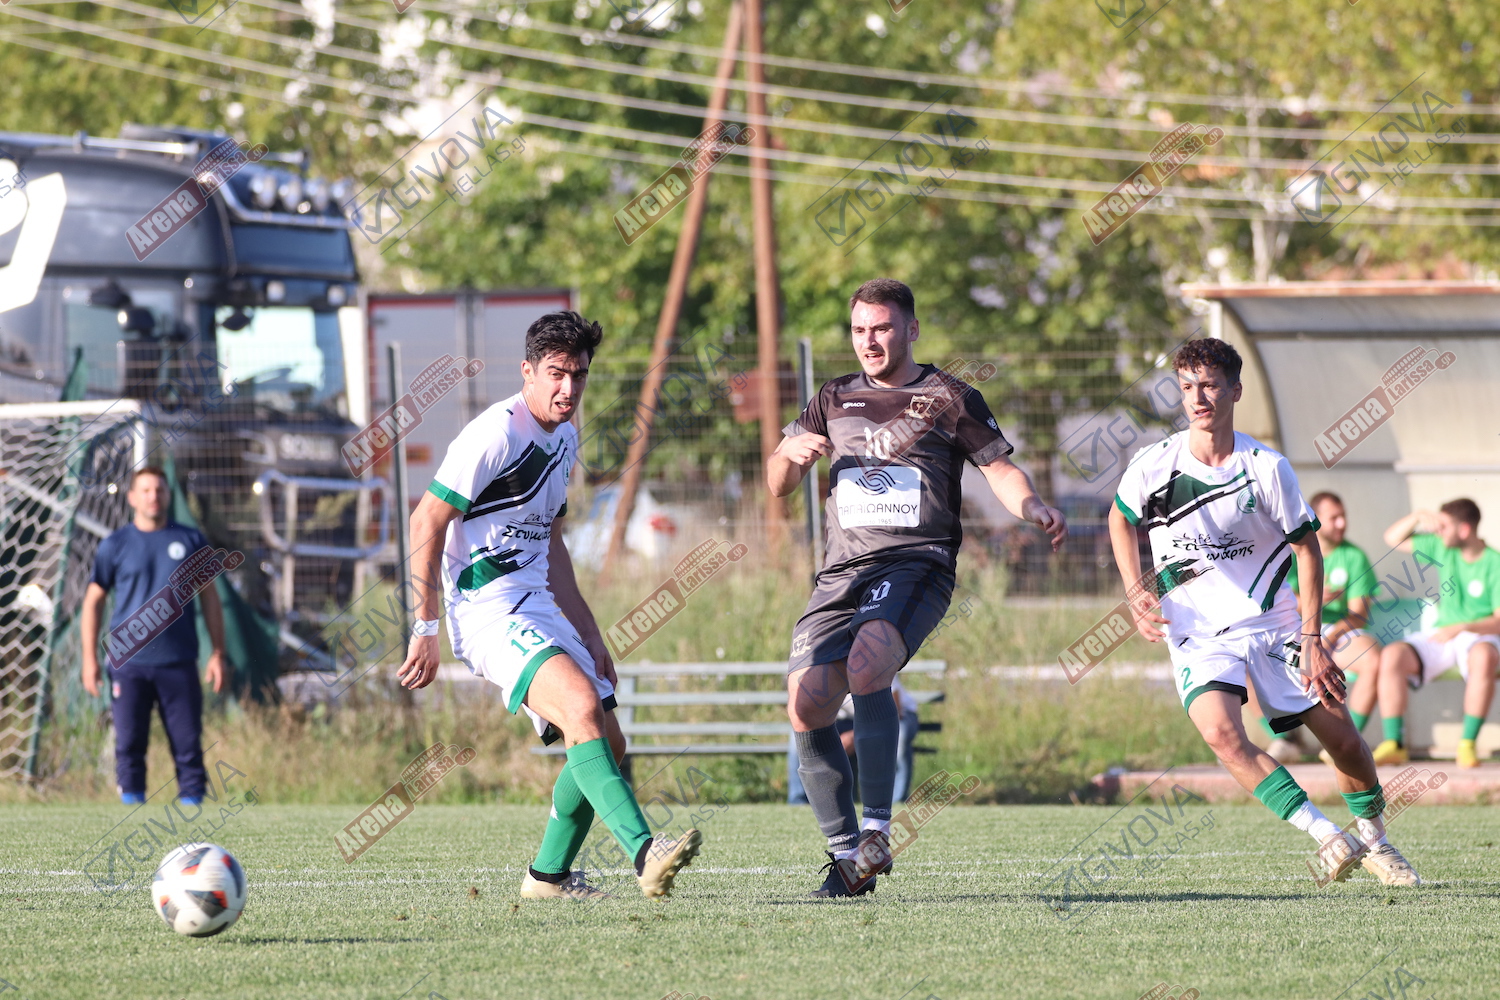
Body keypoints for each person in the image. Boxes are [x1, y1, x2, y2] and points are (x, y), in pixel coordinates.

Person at [767, 278, 1067, 897]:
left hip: (915, 562)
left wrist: (1032, 505)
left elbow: (998, 467)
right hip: (841, 573)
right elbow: (777, 483)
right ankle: (846, 857)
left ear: (911, 329)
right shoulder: (833, 396)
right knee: (806, 703)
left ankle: (877, 831)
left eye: (881, 327)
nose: (869, 341)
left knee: (868, 663)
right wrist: (790, 455)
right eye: (859, 330)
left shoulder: (948, 396)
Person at [396, 310, 699, 901]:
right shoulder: (496, 434)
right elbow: (425, 521)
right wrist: (424, 626)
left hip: (537, 605)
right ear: (528, 371)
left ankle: (548, 878)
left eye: (579, 375)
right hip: (487, 610)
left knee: (609, 743)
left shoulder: (564, 437)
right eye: (556, 373)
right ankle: (646, 854)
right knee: (581, 708)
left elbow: (551, 542)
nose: (568, 388)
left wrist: (590, 632)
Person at [1107, 338, 1419, 886]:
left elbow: (1307, 551)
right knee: (1222, 736)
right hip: (1198, 633)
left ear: (1235, 391)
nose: (1197, 397)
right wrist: (1136, 591)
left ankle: (1377, 841)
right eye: (1187, 386)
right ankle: (1328, 836)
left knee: (1345, 742)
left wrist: (1314, 639)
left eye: (1209, 385)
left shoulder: (1267, 468)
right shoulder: (1154, 465)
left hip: (1276, 626)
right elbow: (1119, 517)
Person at [80, 467, 229, 806]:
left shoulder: (190, 541)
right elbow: (92, 602)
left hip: (178, 662)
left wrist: (218, 652)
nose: (153, 497)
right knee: (129, 745)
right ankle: (131, 807)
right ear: (132, 498)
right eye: (145, 490)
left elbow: (210, 598)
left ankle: (192, 810)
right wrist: (89, 659)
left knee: (188, 746)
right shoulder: (115, 544)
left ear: (168, 495)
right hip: (128, 664)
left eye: (159, 490)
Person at [1371, 500, 1500, 768]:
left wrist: (1464, 627)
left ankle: (1467, 745)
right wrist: (1418, 515)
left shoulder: (1494, 563)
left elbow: (1498, 622)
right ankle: (1395, 745)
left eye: (1444, 526)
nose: (1438, 531)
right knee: (1393, 655)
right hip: (1444, 634)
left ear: (1464, 529)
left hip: (1478, 636)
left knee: (1484, 657)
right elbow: (1392, 538)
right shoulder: (1442, 547)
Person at [1258, 491, 1382, 764]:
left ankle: (1348, 743)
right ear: (1315, 519)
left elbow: (1359, 615)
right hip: (1294, 629)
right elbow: (1272, 603)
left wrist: (1329, 636)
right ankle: (1285, 739)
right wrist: (1312, 599)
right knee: (1248, 660)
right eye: (1334, 518)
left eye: (1343, 517)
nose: (1341, 524)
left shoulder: (1354, 556)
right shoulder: (1289, 553)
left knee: (1373, 658)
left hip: (1338, 631)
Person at [786, 679, 921, 805]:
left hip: (892, 715)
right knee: (799, 734)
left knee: (899, 735)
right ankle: (798, 801)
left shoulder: (872, 662)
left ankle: (897, 800)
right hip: (845, 720)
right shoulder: (821, 668)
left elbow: (893, 711)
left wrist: (854, 736)